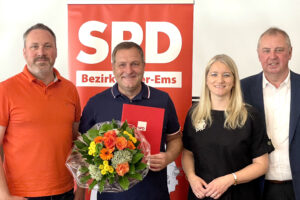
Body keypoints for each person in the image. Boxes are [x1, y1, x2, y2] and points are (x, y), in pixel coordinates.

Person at [79, 41, 182, 200]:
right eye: (122, 65)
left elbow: (175, 139)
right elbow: (82, 147)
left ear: (143, 66)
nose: (129, 70)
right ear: (113, 67)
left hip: (154, 194)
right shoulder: (96, 104)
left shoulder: (162, 100)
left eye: (135, 64)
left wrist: (168, 157)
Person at [0, 23, 84, 200]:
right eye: (34, 46)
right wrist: (3, 195)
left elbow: (78, 143)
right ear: (24, 52)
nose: (41, 52)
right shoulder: (5, 90)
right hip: (22, 194)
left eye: (47, 46)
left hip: (66, 192)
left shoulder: (70, 90)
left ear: (56, 50)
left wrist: (81, 190)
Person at [182, 54, 274, 200]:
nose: (220, 80)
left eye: (226, 75)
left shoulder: (249, 116)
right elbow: (188, 153)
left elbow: (261, 165)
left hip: (241, 195)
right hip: (202, 195)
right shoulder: (194, 114)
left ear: (234, 81)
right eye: (214, 74)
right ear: (206, 80)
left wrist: (230, 179)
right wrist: (191, 177)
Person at [241, 27, 300, 200]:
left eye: (279, 50)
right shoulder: (241, 90)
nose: (272, 56)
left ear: (290, 53)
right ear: (259, 55)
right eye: (266, 51)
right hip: (256, 188)